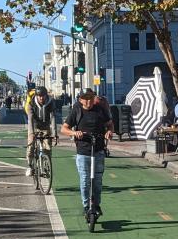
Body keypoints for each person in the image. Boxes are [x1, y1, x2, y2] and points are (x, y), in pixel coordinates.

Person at [61, 88, 113, 217]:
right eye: (86, 98)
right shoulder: (77, 110)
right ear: (80, 100)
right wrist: (74, 132)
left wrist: (109, 131)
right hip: (83, 150)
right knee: (85, 180)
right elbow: (64, 129)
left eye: (90, 98)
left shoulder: (100, 109)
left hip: (98, 149)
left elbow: (110, 124)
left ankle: (96, 205)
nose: (89, 101)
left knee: (97, 181)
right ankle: (86, 206)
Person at [25, 86, 58, 177]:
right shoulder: (31, 103)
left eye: (43, 95)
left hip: (46, 127)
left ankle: (46, 167)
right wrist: (31, 134)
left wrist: (54, 134)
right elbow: (30, 119)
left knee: (47, 148)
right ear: (36, 96)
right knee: (30, 147)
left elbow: (53, 118)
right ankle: (30, 166)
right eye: (39, 96)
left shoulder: (51, 102)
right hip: (34, 127)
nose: (41, 98)